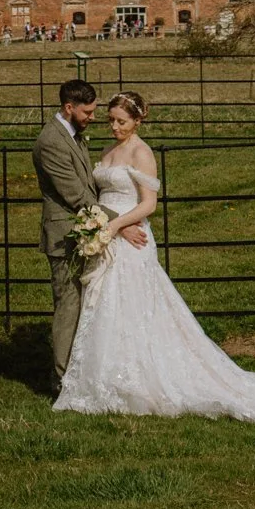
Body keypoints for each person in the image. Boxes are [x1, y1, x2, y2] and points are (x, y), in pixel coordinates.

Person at [55, 92, 255, 426]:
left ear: (137, 121)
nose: (115, 127)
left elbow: (149, 203)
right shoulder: (107, 151)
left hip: (130, 236)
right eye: (111, 120)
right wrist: (103, 226)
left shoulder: (141, 152)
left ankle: (140, 379)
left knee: (133, 306)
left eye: (122, 121)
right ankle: (107, 379)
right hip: (110, 237)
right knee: (106, 306)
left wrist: (117, 225)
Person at [31, 79, 149, 388]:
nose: (93, 118)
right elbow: (76, 195)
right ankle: (62, 380)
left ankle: (87, 371)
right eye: (88, 112)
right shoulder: (51, 141)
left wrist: (113, 223)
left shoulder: (74, 135)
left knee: (92, 305)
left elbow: (90, 187)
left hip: (91, 229)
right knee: (69, 306)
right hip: (66, 234)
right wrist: (121, 223)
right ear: (69, 107)